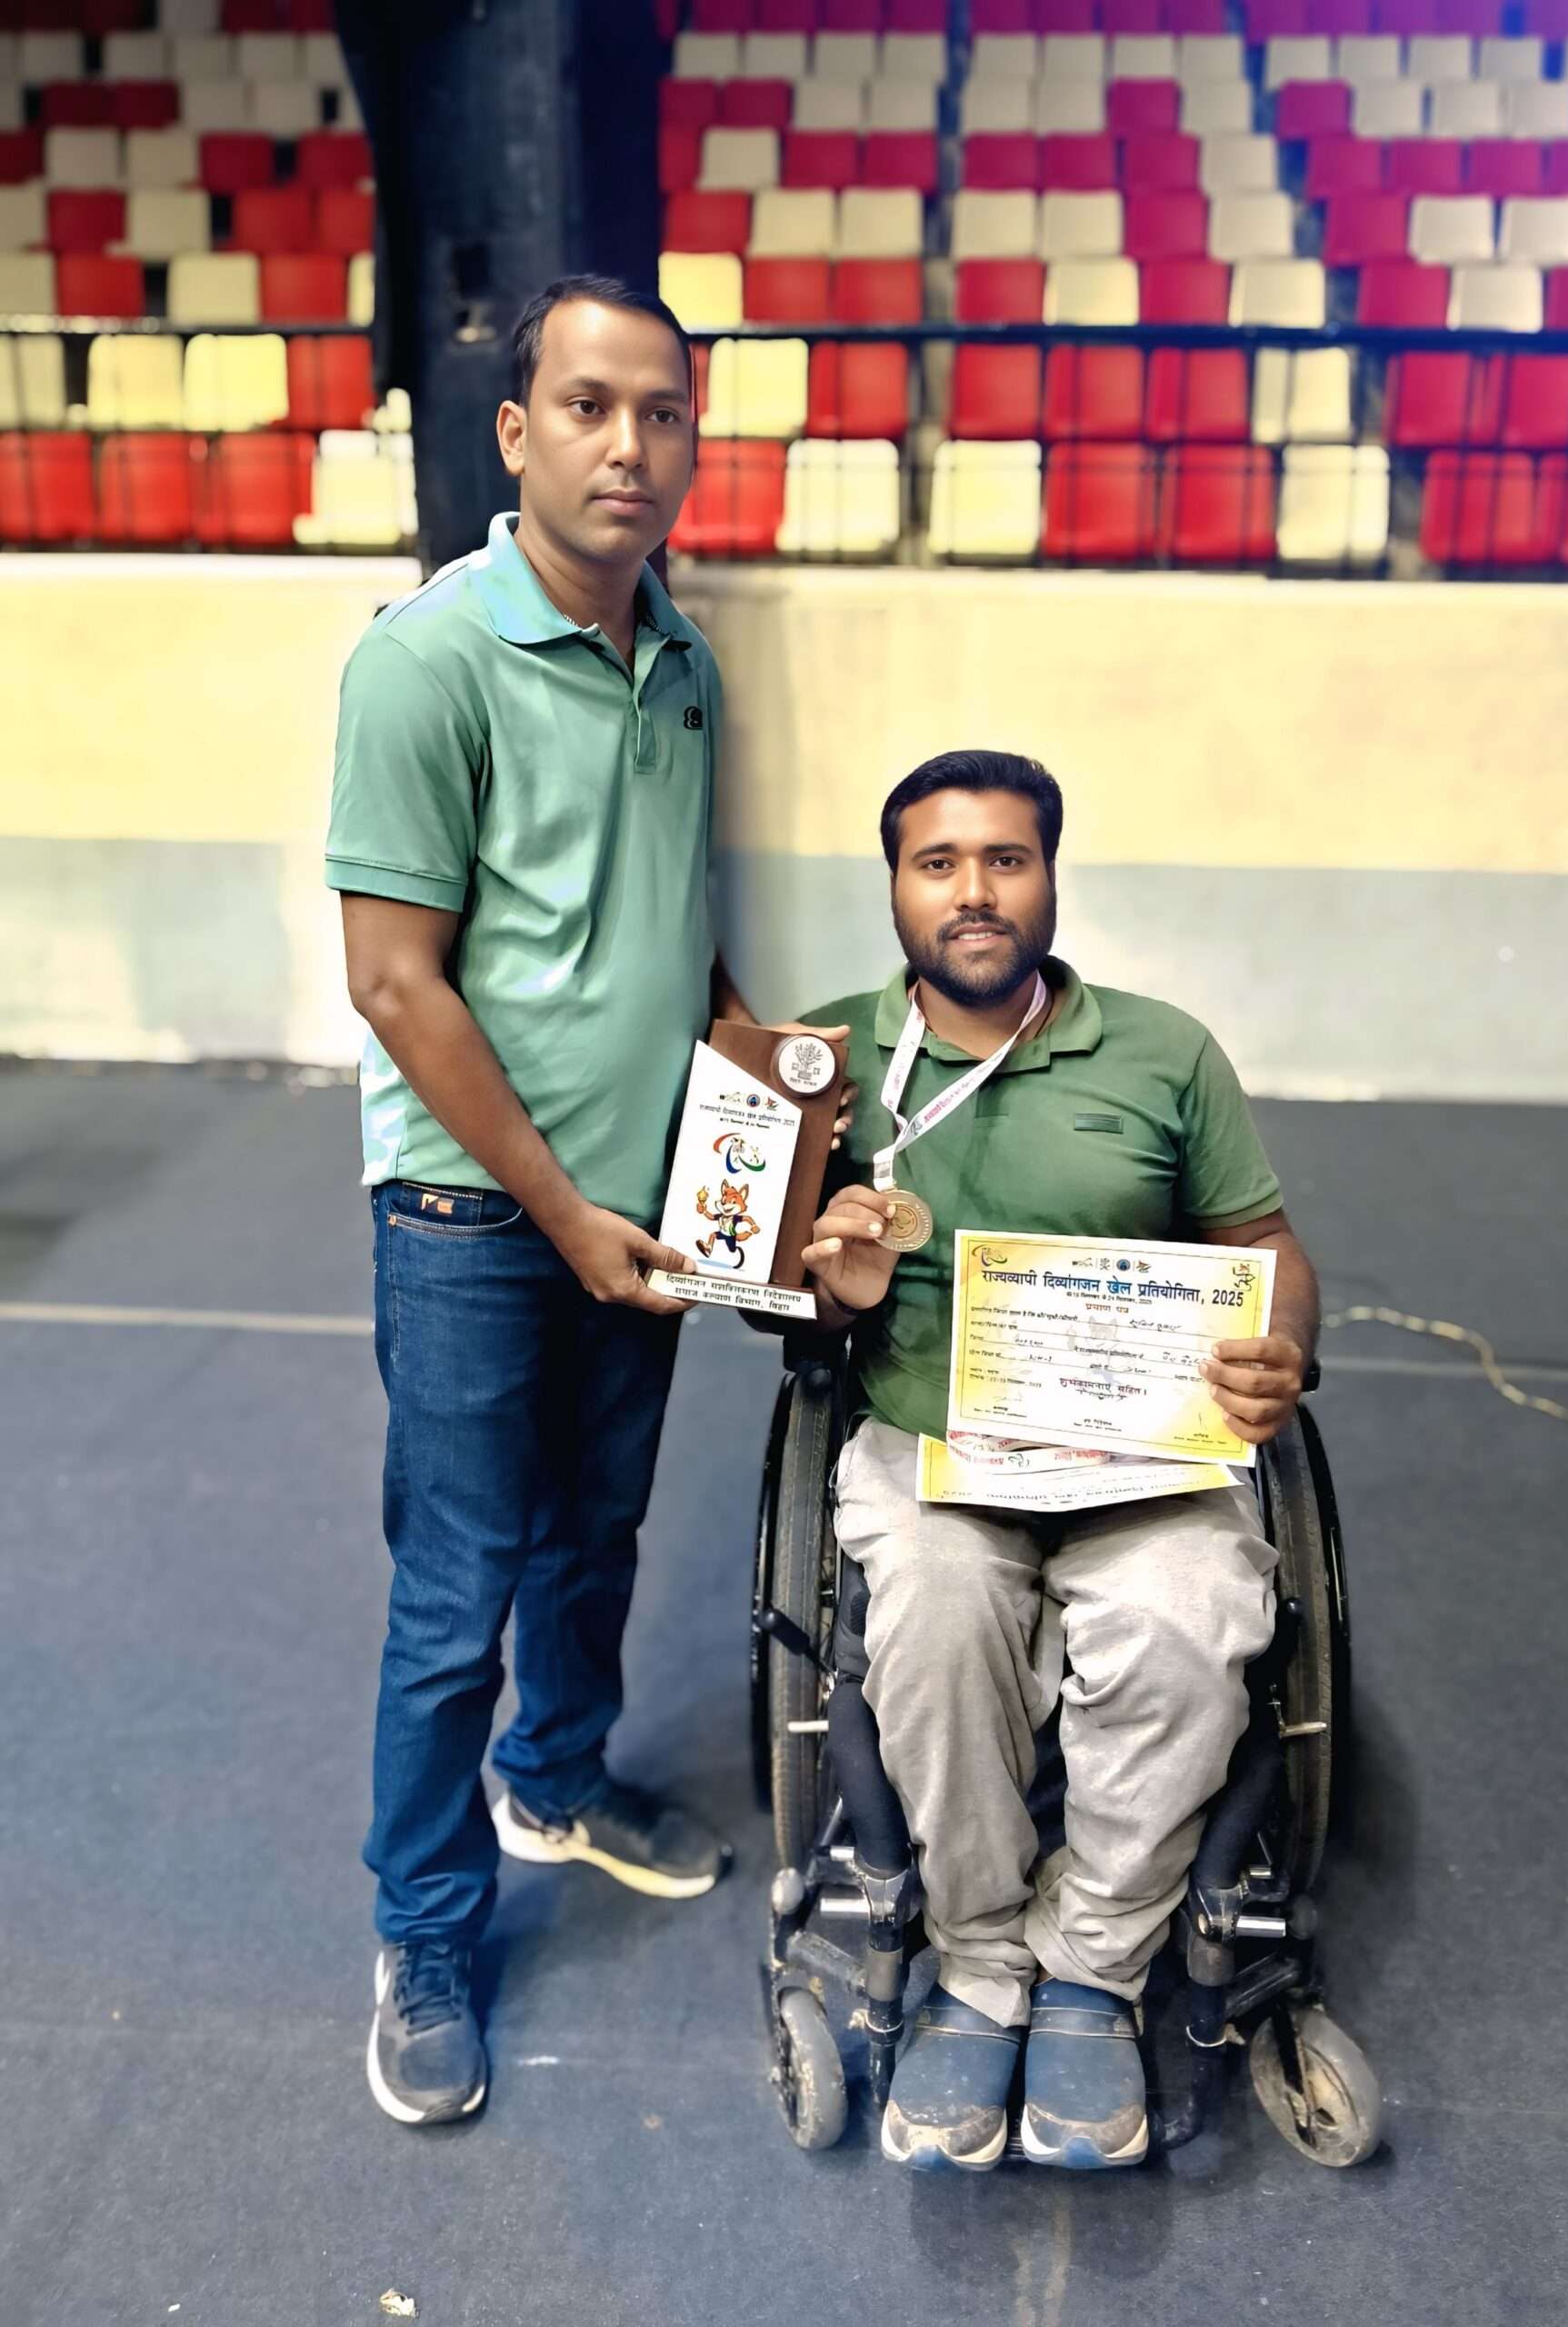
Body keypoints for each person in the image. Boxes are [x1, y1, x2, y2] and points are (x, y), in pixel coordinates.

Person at [326, 274, 842, 2128]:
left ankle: (552, 1777)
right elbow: (397, 984)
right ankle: (424, 1928)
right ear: (515, 430)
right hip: (477, 1219)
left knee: (595, 1536)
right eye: (591, 405)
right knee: (457, 1588)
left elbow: (667, 930)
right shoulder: (425, 662)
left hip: (648, 1205)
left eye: (665, 414)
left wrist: (767, 1096)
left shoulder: (679, 656)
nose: (632, 445)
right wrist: (563, 1214)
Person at [796, 748, 1319, 2173]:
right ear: (894, 886)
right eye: (939, 862)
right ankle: (980, 1960)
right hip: (932, 1442)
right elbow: (774, 1302)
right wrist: (831, 1293)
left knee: (1189, 1614)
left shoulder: (1163, 1052)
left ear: (1048, 878)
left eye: (1006, 859)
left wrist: (1280, 1348)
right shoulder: (821, 1065)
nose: (974, 891)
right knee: (933, 1612)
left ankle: (1091, 1964)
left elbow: (1264, 1247)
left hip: (1138, 1444)